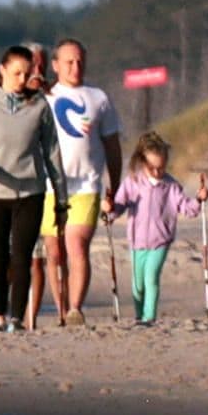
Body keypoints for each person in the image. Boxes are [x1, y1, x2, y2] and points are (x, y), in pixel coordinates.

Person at [0, 46, 68, 332]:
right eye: (16, 73)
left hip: (30, 193)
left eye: (27, 72)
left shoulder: (39, 107)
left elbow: (53, 154)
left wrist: (61, 201)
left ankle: (16, 318)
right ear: (2, 71)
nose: (23, 79)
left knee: (23, 256)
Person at [41, 38, 123, 326]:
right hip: (51, 186)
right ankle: (60, 307)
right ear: (56, 65)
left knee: (77, 246)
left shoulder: (98, 97)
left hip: (87, 185)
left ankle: (75, 308)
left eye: (80, 61)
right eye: (69, 62)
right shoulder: (44, 97)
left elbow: (112, 145)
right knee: (54, 252)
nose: (76, 67)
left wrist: (115, 184)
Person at [110, 131, 208, 325]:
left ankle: (149, 318)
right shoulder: (132, 182)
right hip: (137, 241)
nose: (157, 172)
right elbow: (118, 206)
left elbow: (187, 208)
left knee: (151, 278)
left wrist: (199, 199)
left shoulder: (171, 186)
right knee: (137, 285)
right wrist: (109, 211)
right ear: (142, 162)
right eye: (152, 167)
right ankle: (139, 317)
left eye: (161, 168)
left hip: (160, 241)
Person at [22, 41, 50, 326]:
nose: (37, 69)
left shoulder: (53, 96)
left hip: (47, 189)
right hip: (15, 189)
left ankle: (32, 318)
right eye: (33, 63)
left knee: (37, 259)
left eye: (42, 63)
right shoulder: (12, 97)